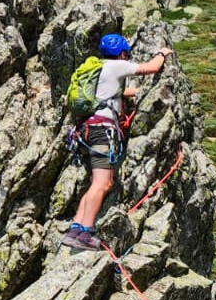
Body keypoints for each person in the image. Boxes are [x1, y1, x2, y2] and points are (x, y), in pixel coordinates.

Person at [61, 34, 173, 251]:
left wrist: (143, 93)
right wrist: (162, 53)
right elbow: (150, 68)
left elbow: (121, 93)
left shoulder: (101, 69)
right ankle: (86, 232)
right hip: (103, 131)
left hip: (88, 129)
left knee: (96, 182)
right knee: (103, 183)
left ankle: (76, 228)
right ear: (122, 52)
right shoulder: (117, 65)